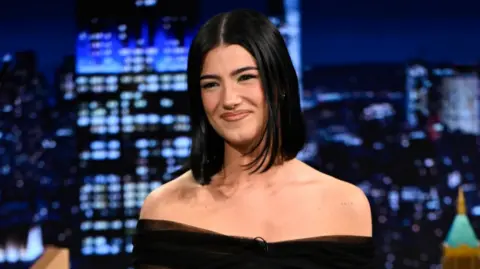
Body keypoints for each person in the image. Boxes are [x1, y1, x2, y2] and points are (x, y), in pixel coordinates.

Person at [133, 9, 374, 269]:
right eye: (211, 84)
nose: (229, 100)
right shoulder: (166, 209)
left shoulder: (344, 205)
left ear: (280, 84)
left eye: (245, 77)